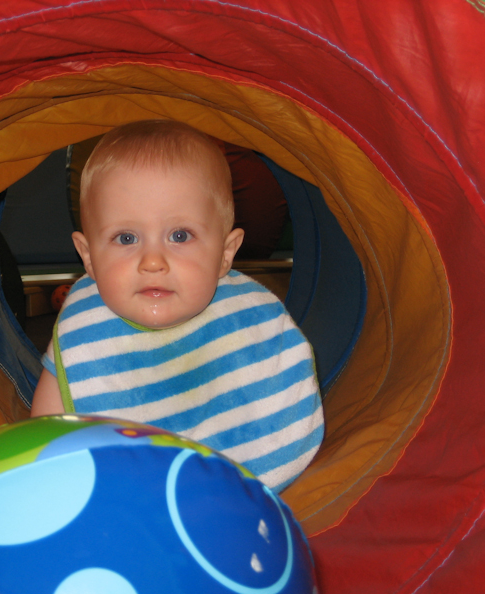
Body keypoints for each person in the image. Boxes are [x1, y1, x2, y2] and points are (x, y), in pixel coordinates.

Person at [31, 120, 323, 491]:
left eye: (180, 236)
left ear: (225, 253)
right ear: (88, 258)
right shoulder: (85, 333)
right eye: (126, 237)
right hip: (128, 501)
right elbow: (45, 433)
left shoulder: (247, 318)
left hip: (245, 492)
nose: (153, 261)